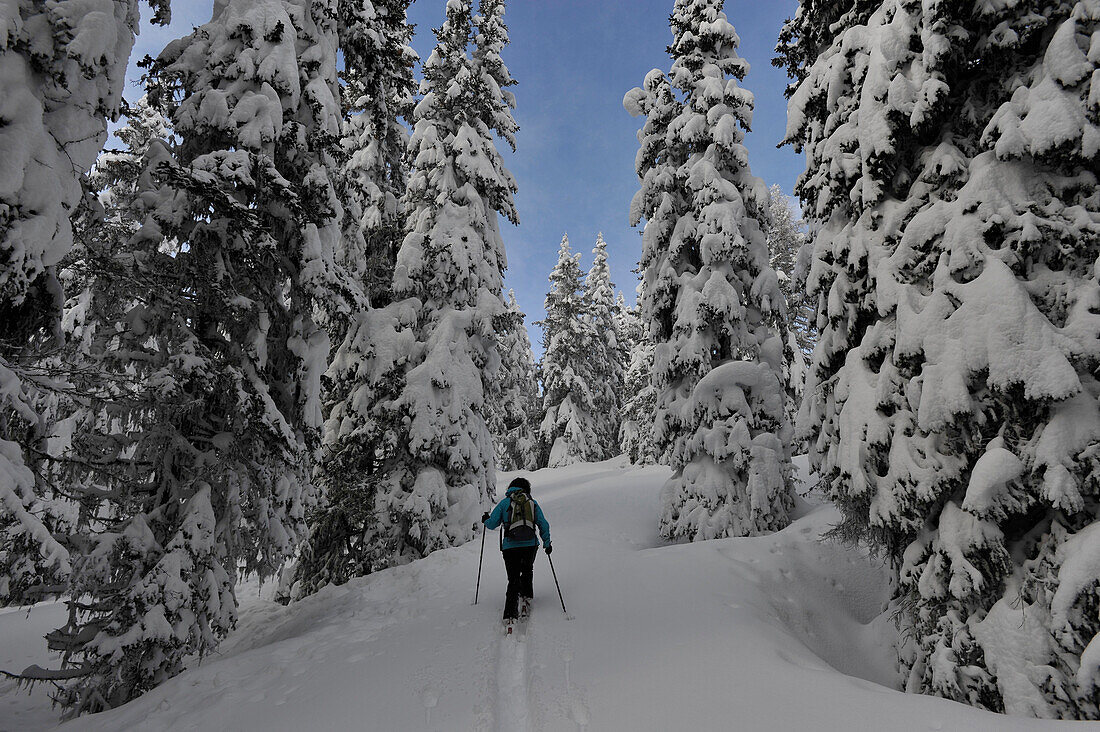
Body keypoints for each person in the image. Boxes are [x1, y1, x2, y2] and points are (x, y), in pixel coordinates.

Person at [482, 477, 551, 621]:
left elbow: (492, 523)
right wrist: (547, 543)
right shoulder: (532, 503)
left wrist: (485, 519)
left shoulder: (504, 503)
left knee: (513, 578)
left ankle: (510, 614)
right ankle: (527, 598)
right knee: (527, 570)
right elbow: (543, 524)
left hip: (510, 547)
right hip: (530, 545)